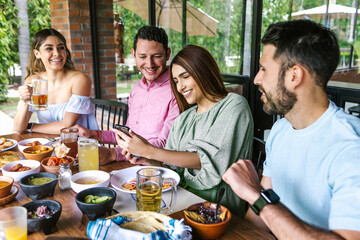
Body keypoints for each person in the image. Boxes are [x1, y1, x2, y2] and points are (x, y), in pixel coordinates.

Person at [222, 20, 360, 239]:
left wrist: (256, 195)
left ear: (294, 76)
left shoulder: (350, 147)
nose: (257, 79)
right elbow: (259, 218)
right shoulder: (281, 130)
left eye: (264, 69)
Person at [115, 45, 254, 216]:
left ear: (204, 71)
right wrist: (148, 160)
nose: (180, 87)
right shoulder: (183, 119)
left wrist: (150, 151)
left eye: (185, 77)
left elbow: (208, 161)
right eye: (175, 81)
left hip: (219, 211)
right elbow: (174, 170)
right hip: (181, 202)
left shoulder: (234, 105)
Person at [73, 26, 179, 164]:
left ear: (168, 53)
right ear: (134, 54)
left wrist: (113, 153)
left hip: (156, 169)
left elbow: (165, 144)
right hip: (128, 165)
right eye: (142, 56)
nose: (149, 64)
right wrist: (94, 134)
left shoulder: (177, 89)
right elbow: (129, 135)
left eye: (157, 56)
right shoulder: (136, 89)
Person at [13, 28, 98, 134]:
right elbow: (17, 129)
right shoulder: (33, 81)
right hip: (46, 145)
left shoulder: (79, 80)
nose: (57, 53)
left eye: (61, 48)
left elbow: (67, 125)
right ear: (37, 54)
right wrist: (25, 101)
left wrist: (30, 127)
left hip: (78, 144)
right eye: (49, 48)